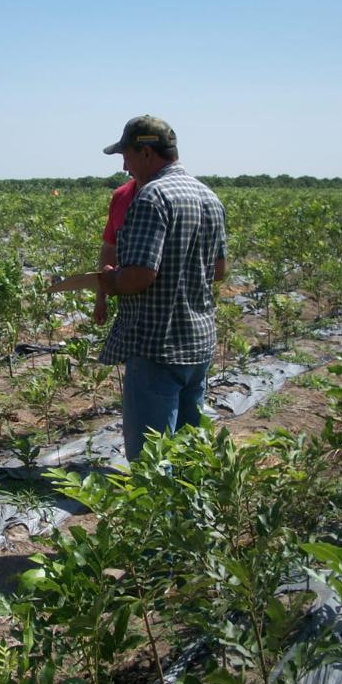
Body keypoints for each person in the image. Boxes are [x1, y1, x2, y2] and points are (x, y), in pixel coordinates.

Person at [96, 116, 227, 460]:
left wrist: (109, 280)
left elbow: (139, 276)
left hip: (158, 347)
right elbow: (219, 270)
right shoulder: (209, 197)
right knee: (188, 452)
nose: (124, 165)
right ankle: (188, 514)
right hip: (198, 343)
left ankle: (157, 515)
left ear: (148, 152)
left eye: (127, 154)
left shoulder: (152, 197)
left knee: (152, 459)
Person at [94, 178, 137, 325]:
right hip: (129, 312)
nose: (124, 167)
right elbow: (109, 248)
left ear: (147, 155)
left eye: (127, 158)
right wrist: (101, 297)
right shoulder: (122, 195)